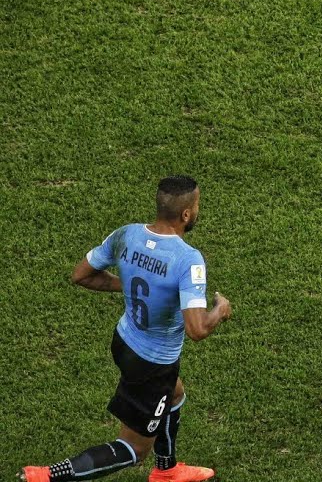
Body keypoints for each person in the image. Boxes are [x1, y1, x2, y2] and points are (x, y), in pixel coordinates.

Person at [20, 176, 232, 482]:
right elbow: (197, 330)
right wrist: (220, 310)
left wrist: (132, 284)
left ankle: (168, 470)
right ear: (186, 214)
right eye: (197, 206)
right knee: (132, 449)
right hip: (153, 363)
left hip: (124, 342)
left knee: (175, 395)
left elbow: (81, 275)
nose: (197, 211)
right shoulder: (188, 259)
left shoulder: (126, 235)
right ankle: (47, 475)